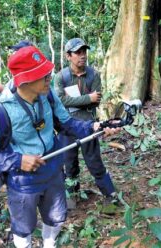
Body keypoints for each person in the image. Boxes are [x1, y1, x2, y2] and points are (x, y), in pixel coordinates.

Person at [0, 45, 120, 248]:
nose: (50, 78)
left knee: (56, 217)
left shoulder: (48, 95)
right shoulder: (1, 111)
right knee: (24, 228)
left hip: (53, 171)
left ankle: (49, 245)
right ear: (25, 80)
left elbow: (67, 123)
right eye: (44, 76)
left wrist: (97, 126)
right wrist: (18, 160)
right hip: (24, 181)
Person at [54, 38, 117, 210]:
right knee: (69, 162)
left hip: (88, 125)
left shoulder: (93, 75)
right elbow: (60, 100)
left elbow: (96, 101)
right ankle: (72, 196)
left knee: (94, 162)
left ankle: (110, 195)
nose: (82, 56)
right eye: (78, 53)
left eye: (84, 52)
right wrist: (87, 98)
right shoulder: (61, 77)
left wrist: (79, 101)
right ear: (68, 56)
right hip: (67, 126)